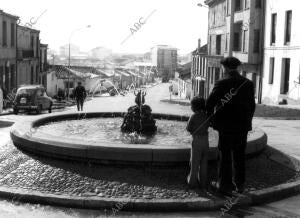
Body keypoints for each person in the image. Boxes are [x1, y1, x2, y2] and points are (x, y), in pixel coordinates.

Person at [206, 57, 256, 195]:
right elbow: (252, 106)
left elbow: (209, 103)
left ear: (226, 68)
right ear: (238, 68)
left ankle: (225, 185)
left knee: (225, 155)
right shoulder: (248, 83)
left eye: (223, 68)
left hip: (225, 126)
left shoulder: (221, 83)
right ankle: (240, 185)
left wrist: (212, 121)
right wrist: (247, 120)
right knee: (240, 156)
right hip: (242, 126)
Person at [186, 96, 210, 189]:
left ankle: (192, 182)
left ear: (194, 107)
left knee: (194, 162)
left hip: (196, 141)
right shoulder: (206, 115)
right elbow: (208, 125)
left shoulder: (193, 116)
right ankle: (203, 182)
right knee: (204, 163)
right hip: (205, 140)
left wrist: (193, 130)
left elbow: (188, 128)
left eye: (191, 105)